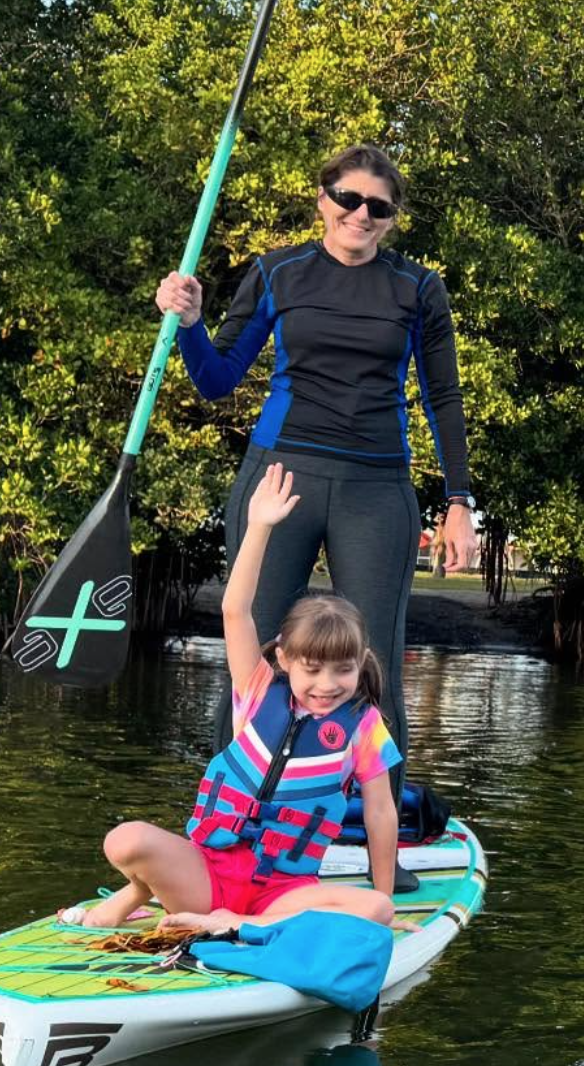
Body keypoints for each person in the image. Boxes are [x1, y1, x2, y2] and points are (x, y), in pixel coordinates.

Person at [155, 145, 475, 854]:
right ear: (322, 198)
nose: (361, 215)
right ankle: (220, 835)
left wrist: (459, 501)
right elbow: (216, 379)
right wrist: (189, 323)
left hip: (377, 487)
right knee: (251, 653)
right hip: (281, 478)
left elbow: (442, 397)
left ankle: (378, 844)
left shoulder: (419, 289)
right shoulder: (277, 271)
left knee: (372, 661)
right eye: (348, 199)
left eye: (379, 207)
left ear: (393, 219)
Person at [70, 463, 402, 933]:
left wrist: (382, 899)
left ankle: (227, 924)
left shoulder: (364, 726)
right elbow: (235, 610)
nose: (328, 684)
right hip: (211, 872)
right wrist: (261, 526)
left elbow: (381, 811)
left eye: (343, 670)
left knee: (378, 909)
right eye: (312, 669)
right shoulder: (258, 688)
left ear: (361, 661)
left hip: (284, 892)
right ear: (285, 659)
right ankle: (145, 892)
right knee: (124, 841)